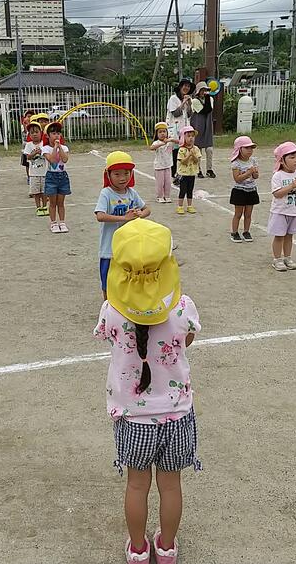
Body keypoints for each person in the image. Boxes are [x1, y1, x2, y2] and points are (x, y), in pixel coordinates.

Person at [93, 218, 201, 564]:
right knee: (171, 485)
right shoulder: (183, 306)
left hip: (133, 417)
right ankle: (166, 547)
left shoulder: (111, 310)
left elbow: (111, 339)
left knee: (136, 485)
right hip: (176, 415)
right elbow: (185, 340)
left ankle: (139, 549)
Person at [94, 151, 150, 299]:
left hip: (129, 248)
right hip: (110, 249)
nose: (122, 178)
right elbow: (100, 216)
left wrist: (140, 214)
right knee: (107, 283)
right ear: (108, 175)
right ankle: (107, 306)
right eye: (117, 174)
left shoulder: (131, 193)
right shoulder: (106, 193)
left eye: (126, 173)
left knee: (128, 280)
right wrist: (124, 218)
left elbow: (147, 209)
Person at [269, 141, 296, 271]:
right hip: (280, 211)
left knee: (289, 236)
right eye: (292, 157)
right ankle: (277, 259)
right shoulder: (278, 175)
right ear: (282, 160)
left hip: (295, 211)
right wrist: (291, 186)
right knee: (279, 236)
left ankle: (287, 257)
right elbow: (277, 194)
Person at [228, 135, 259, 243]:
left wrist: (254, 173)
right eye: (247, 148)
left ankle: (246, 231)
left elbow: (256, 176)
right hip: (239, 190)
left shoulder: (253, 161)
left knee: (248, 214)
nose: (250, 150)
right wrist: (248, 173)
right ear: (239, 149)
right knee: (238, 213)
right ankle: (234, 232)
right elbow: (237, 179)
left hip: (251, 189)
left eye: (251, 148)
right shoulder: (236, 163)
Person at [43, 121, 71, 233]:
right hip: (51, 177)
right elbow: (52, 160)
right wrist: (55, 148)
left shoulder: (64, 147)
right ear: (48, 136)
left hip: (62, 176)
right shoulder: (45, 148)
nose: (56, 136)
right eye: (53, 133)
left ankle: (62, 222)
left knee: (61, 202)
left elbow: (65, 159)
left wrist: (60, 147)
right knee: (53, 203)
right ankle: (53, 223)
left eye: (58, 133)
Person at [166, 78, 193, 184]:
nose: (186, 88)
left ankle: (181, 174)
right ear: (180, 87)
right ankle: (174, 174)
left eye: (188, 86)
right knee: (175, 153)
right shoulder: (173, 98)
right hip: (174, 130)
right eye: (185, 86)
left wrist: (189, 104)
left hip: (185, 130)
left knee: (184, 152)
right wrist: (183, 103)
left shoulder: (187, 100)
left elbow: (190, 114)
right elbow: (176, 113)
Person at [190, 81, 215, 178]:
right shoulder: (194, 101)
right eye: (202, 90)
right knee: (198, 149)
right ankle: (198, 169)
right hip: (198, 125)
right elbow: (203, 111)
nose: (204, 92)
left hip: (208, 125)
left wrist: (207, 97)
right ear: (198, 91)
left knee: (209, 149)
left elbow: (209, 109)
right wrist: (207, 97)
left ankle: (209, 169)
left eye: (205, 90)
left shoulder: (210, 99)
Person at [24, 119, 48, 216]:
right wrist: (34, 153)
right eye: (32, 133)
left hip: (44, 172)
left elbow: (47, 154)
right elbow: (28, 157)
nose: (34, 134)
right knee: (36, 192)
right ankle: (38, 207)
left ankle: (45, 206)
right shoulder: (28, 145)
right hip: (34, 174)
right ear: (29, 135)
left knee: (44, 192)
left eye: (36, 132)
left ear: (41, 133)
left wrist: (41, 152)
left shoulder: (44, 144)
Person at [150, 122, 177, 203]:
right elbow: (151, 147)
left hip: (168, 166)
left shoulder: (170, 142)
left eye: (164, 131)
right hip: (159, 167)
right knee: (160, 183)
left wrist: (171, 139)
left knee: (168, 182)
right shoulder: (157, 142)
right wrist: (162, 143)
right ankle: (160, 196)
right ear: (157, 134)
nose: (162, 133)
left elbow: (180, 142)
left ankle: (167, 196)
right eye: (160, 132)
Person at [176, 126, 201, 215]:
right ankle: (180, 206)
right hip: (184, 174)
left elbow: (197, 161)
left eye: (192, 136)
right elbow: (183, 161)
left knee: (190, 190)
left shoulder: (196, 149)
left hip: (192, 173)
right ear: (184, 138)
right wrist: (189, 155)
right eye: (188, 136)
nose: (191, 138)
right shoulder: (182, 150)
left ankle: (190, 206)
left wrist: (193, 155)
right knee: (183, 190)